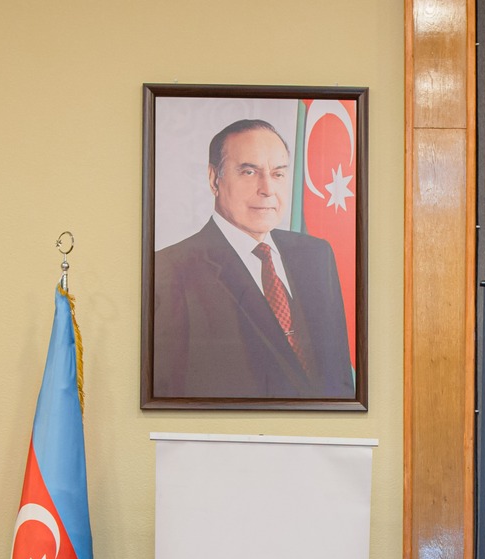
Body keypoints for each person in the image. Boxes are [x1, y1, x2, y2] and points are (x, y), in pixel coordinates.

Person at [152, 118, 355, 401]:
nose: (267, 189)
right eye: (249, 172)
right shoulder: (169, 270)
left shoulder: (317, 256)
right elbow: (169, 397)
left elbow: (340, 379)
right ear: (214, 179)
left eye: (278, 174)